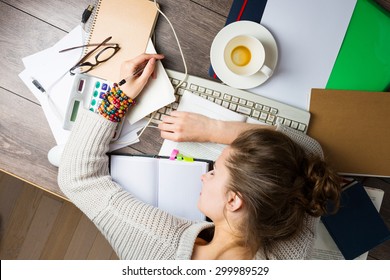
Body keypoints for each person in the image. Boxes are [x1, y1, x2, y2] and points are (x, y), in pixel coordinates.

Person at [58, 53, 341, 260]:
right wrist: (214, 129)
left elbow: (77, 177)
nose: (204, 175)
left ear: (234, 200)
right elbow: (308, 151)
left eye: (215, 171)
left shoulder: (156, 246)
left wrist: (118, 95)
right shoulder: (287, 251)